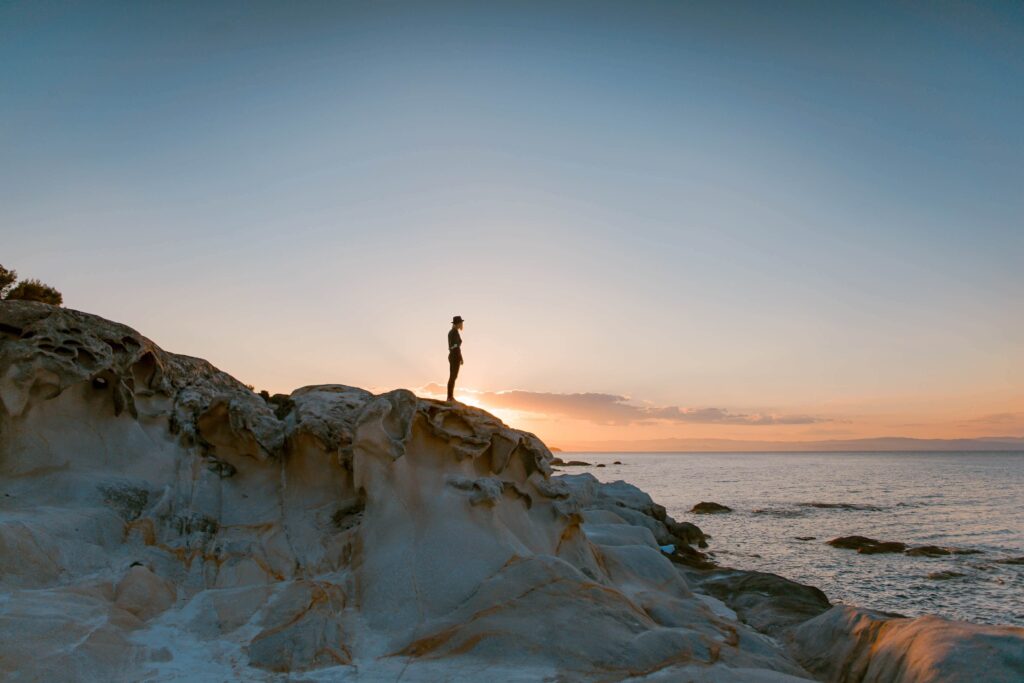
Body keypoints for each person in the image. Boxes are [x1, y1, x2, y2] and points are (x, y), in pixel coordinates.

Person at [447, 315, 464, 402]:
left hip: (456, 356)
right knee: (452, 376)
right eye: (461, 323)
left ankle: (451, 396)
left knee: (454, 376)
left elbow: (457, 347)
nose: (462, 324)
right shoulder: (452, 332)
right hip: (453, 356)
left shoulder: (456, 332)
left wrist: (461, 358)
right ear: (457, 323)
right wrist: (456, 346)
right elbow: (451, 346)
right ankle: (449, 397)